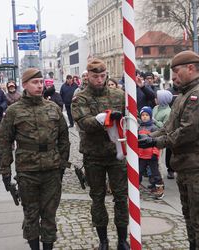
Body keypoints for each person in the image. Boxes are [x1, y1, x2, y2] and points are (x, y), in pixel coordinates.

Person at [139, 50, 199, 250]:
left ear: (190, 68)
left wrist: (155, 143)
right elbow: (169, 127)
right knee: (190, 218)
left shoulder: (198, 95)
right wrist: (150, 137)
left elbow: (186, 133)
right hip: (187, 165)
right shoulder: (185, 94)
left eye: (176, 72)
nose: (173, 77)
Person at [0, 68, 70, 250]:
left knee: (49, 215)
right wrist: (5, 171)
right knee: (31, 214)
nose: (39, 86)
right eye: (34, 82)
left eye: (41, 82)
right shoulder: (14, 111)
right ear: (24, 85)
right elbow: (5, 142)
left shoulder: (53, 108)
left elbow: (64, 138)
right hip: (27, 171)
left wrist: (62, 165)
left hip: (51, 170)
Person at [71, 58, 129, 250]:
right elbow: (84, 123)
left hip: (116, 154)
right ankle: (103, 241)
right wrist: (104, 119)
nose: (99, 80)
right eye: (95, 76)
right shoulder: (81, 98)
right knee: (97, 197)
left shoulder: (119, 95)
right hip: (93, 155)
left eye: (102, 76)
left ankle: (122, 240)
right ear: (88, 76)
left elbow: (128, 121)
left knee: (121, 197)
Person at [138, 106, 163, 199]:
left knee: (155, 173)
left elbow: (157, 142)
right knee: (138, 172)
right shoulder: (139, 127)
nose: (144, 117)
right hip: (141, 155)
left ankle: (159, 189)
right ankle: (135, 188)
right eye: (143, 115)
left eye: (146, 115)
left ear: (150, 116)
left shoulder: (154, 128)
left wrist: (155, 153)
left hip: (151, 155)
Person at [152, 90, 173, 179]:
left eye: (157, 98)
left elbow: (165, 126)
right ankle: (153, 176)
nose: (155, 99)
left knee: (158, 159)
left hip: (160, 138)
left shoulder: (168, 112)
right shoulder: (156, 107)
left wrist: (155, 121)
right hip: (152, 134)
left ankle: (159, 179)